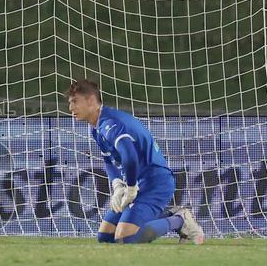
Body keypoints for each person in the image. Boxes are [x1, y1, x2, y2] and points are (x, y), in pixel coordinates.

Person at [67, 79, 204, 244]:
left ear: (90, 101)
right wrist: (117, 185)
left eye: (75, 102)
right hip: (135, 182)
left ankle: (180, 219)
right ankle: (164, 215)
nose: (71, 108)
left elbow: (130, 158)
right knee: (106, 237)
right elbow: (109, 160)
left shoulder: (111, 124)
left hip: (155, 183)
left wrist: (130, 188)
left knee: (126, 237)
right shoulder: (96, 126)